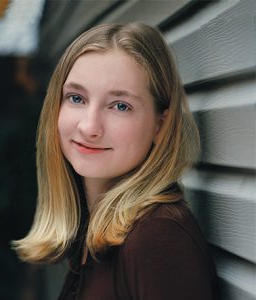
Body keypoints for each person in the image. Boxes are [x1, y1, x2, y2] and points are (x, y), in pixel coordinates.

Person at [12, 23, 219, 299]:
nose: (89, 127)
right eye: (76, 98)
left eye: (120, 105)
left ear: (161, 124)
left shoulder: (158, 239)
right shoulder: (94, 232)